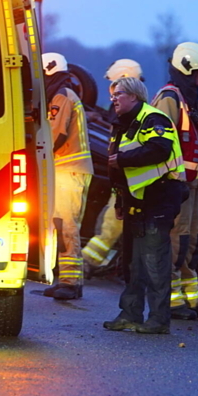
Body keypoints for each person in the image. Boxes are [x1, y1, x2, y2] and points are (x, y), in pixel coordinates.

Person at [102, 76, 186, 334]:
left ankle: (159, 320)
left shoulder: (154, 119)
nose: (113, 99)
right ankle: (130, 314)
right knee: (133, 262)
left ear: (134, 96)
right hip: (135, 201)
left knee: (154, 262)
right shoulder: (122, 124)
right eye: (113, 94)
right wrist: (118, 199)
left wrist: (124, 159)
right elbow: (115, 167)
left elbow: (159, 150)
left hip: (159, 198)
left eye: (119, 94)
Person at [152, 42, 198, 322]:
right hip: (176, 185)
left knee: (192, 242)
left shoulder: (188, 99)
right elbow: (160, 143)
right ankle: (171, 299)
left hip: (192, 186)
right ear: (186, 68)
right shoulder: (170, 98)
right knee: (176, 243)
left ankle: (191, 298)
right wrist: (171, 181)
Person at [81, 58, 144, 271]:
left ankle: (89, 262)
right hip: (127, 174)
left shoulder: (132, 104)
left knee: (112, 221)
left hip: (130, 175)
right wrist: (97, 118)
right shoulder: (134, 101)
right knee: (112, 218)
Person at [41, 52, 93, 300]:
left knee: (67, 226)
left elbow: (55, 134)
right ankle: (67, 279)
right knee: (61, 224)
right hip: (67, 169)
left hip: (68, 169)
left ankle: (71, 282)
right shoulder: (66, 92)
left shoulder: (61, 96)